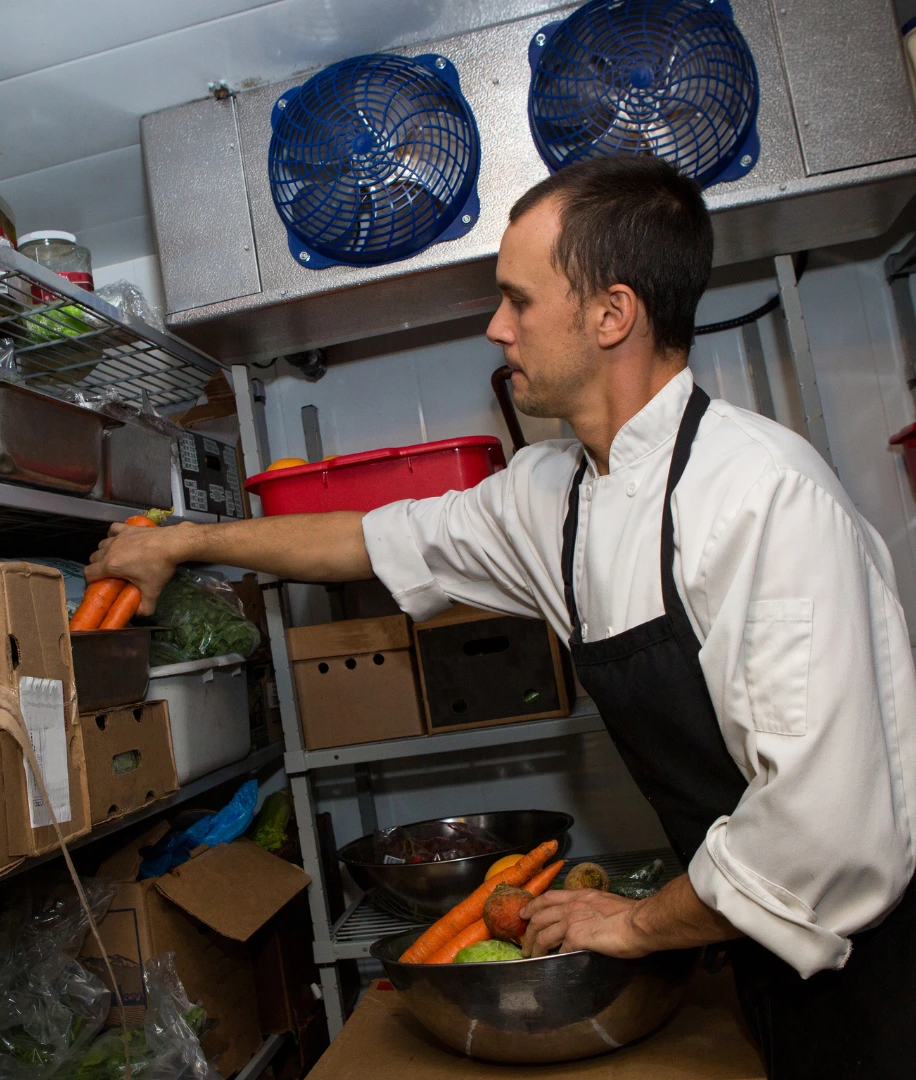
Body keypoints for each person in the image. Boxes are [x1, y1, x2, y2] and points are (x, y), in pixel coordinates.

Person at [87, 155, 916, 1078]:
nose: (497, 327)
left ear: (612, 314)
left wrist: (638, 923)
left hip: (878, 975)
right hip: (759, 949)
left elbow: (821, 839)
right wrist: (186, 544)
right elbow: (366, 538)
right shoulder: (552, 494)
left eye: (519, 300)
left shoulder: (765, 498)